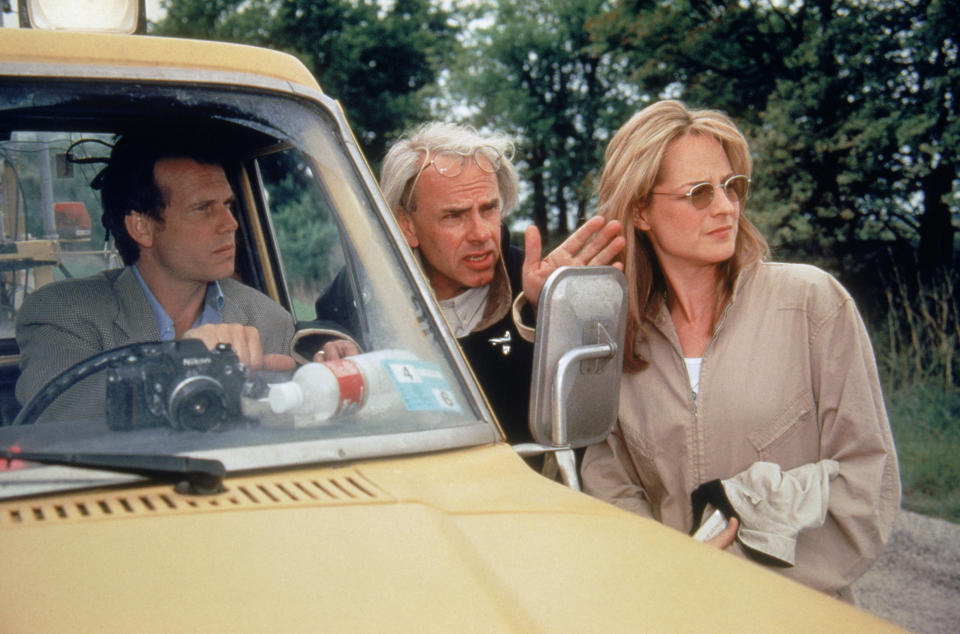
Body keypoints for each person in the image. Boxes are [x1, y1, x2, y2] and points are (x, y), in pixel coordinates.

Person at [580, 100, 900, 600]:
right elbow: (609, 482)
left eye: (732, 187)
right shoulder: (616, 335)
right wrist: (669, 574)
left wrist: (734, 571)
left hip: (797, 614)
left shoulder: (813, 303)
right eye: (699, 193)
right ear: (640, 210)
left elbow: (867, 480)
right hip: (675, 611)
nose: (725, 207)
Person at [323, 122, 624, 443]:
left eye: (490, 209)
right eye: (454, 215)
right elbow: (324, 328)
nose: (481, 234)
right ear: (406, 225)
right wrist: (331, 346)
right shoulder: (364, 285)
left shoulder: (540, 286)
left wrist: (548, 315)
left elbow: (581, 424)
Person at [15, 129, 313, 422]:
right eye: (203, 208)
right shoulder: (63, 312)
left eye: (227, 205)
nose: (230, 223)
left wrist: (330, 371)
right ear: (142, 228)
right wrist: (182, 366)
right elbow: (57, 412)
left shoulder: (266, 318)